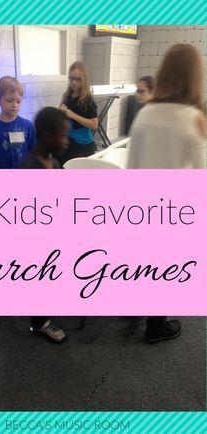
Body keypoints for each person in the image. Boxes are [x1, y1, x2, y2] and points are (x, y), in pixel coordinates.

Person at [128, 44, 206, 343]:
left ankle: (134, 308)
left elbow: (132, 168)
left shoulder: (145, 114)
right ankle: (155, 327)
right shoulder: (194, 118)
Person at [20, 107, 69, 342]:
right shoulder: (30, 168)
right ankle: (39, 323)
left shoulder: (54, 162)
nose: (66, 141)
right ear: (48, 136)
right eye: (63, 135)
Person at [0, 76, 35, 168]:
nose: (14, 105)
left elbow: (34, 156)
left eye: (18, 101)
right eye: (9, 100)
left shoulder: (27, 126)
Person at [59, 61, 98, 165]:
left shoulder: (87, 100)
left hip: (82, 145)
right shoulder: (67, 96)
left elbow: (94, 125)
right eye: (71, 78)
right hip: (68, 142)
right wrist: (60, 112)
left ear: (84, 79)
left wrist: (72, 115)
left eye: (78, 79)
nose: (74, 82)